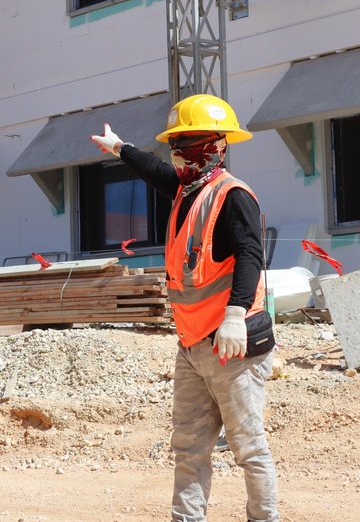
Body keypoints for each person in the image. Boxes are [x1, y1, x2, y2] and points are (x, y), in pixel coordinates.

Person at [91, 93, 279, 522]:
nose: (181, 154)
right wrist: (120, 147)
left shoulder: (232, 196)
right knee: (189, 447)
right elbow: (153, 169)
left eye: (191, 143)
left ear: (218, 145)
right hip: (193, 344)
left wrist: (234, 315)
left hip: (232, 343)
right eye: (177, 144)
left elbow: (251, 254)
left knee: (248, 447)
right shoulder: (185, 188)